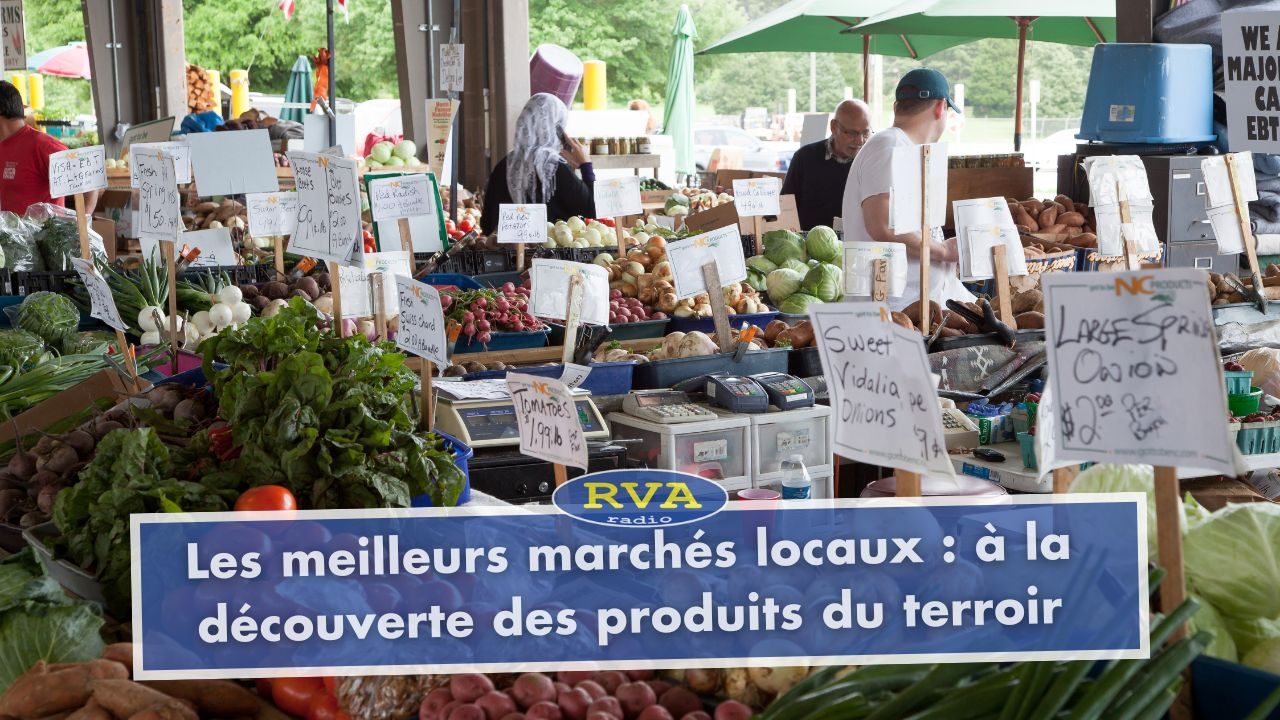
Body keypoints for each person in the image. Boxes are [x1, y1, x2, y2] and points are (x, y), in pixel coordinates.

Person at [841, 68, 970, 312]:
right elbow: (883, 224)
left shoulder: (903, 148)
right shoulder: (888, 146)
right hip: (888, 310)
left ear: (896, 106)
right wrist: (943, 250)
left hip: (907, 307)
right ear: (940, 107)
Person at [481, 93, 595, 235]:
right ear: (556, 127)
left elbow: (486, 224)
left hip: (506, 254)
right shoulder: (553, 167)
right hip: (548, 255)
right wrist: (586, 165)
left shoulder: (503, 166)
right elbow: (592, 208)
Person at [0, 81, 96, 215]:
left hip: (45, 235)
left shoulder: (43, 145)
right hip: (12, 234)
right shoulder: (3, 146)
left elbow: (89, 178)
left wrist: (84, 220)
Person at [781, 99, 871, 230]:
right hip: (809, 245)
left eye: (866, 133)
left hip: (855, 245)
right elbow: (786, 206)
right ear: (834, 127)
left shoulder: (870, 162)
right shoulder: (805, 158)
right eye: (852, 133)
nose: (860, 140)